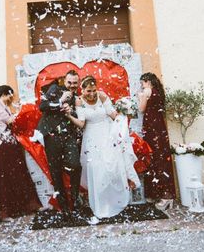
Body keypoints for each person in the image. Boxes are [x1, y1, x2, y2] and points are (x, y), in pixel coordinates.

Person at [66, 76, 140, 220]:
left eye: (94, 90)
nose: (92, 94)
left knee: (111, 167)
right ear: (82, 89)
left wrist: (123, 113)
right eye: (88, 91)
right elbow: (81, 124)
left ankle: (115, 201)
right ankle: (100, 204)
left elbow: (112, 114)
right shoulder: (79, 101)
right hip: (91, 138)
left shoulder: (102, 96)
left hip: (107, 135)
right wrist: (69, 116)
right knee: (96, 169)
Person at [0, 85, 40, 219]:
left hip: (9, 142)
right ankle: (6, 210)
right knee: (5, 173)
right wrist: (22, 111)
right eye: (10, 95)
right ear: (5, 94)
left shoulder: (1, 104)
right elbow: (9, 120)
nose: (11, 98)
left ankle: (20, 206)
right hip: (2, 143)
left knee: (15, 172)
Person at [36, 70, 82, 215]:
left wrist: (70, 111)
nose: (72, 85)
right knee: (55, 171)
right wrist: (60, 101)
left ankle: (75, 198)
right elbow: (42, 106)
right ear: (65, 81)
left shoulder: (77, 97)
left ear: (78, 83)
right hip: (51, 135)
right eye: (69, 82)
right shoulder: (55, 89)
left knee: (75, 165)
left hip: (69, 136)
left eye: (75, 83)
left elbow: (77, 117)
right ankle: (64, 206)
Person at [138, 72, 176, 210]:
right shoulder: (158, 92)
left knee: (153, 158)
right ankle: (166, 194)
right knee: (162, 159)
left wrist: (140, 97)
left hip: (151, 128)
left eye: (142, 83)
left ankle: (162, 196)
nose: (141, 85)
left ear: (147, 81)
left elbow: (141, 109)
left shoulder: (146, 91)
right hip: (159, 128)